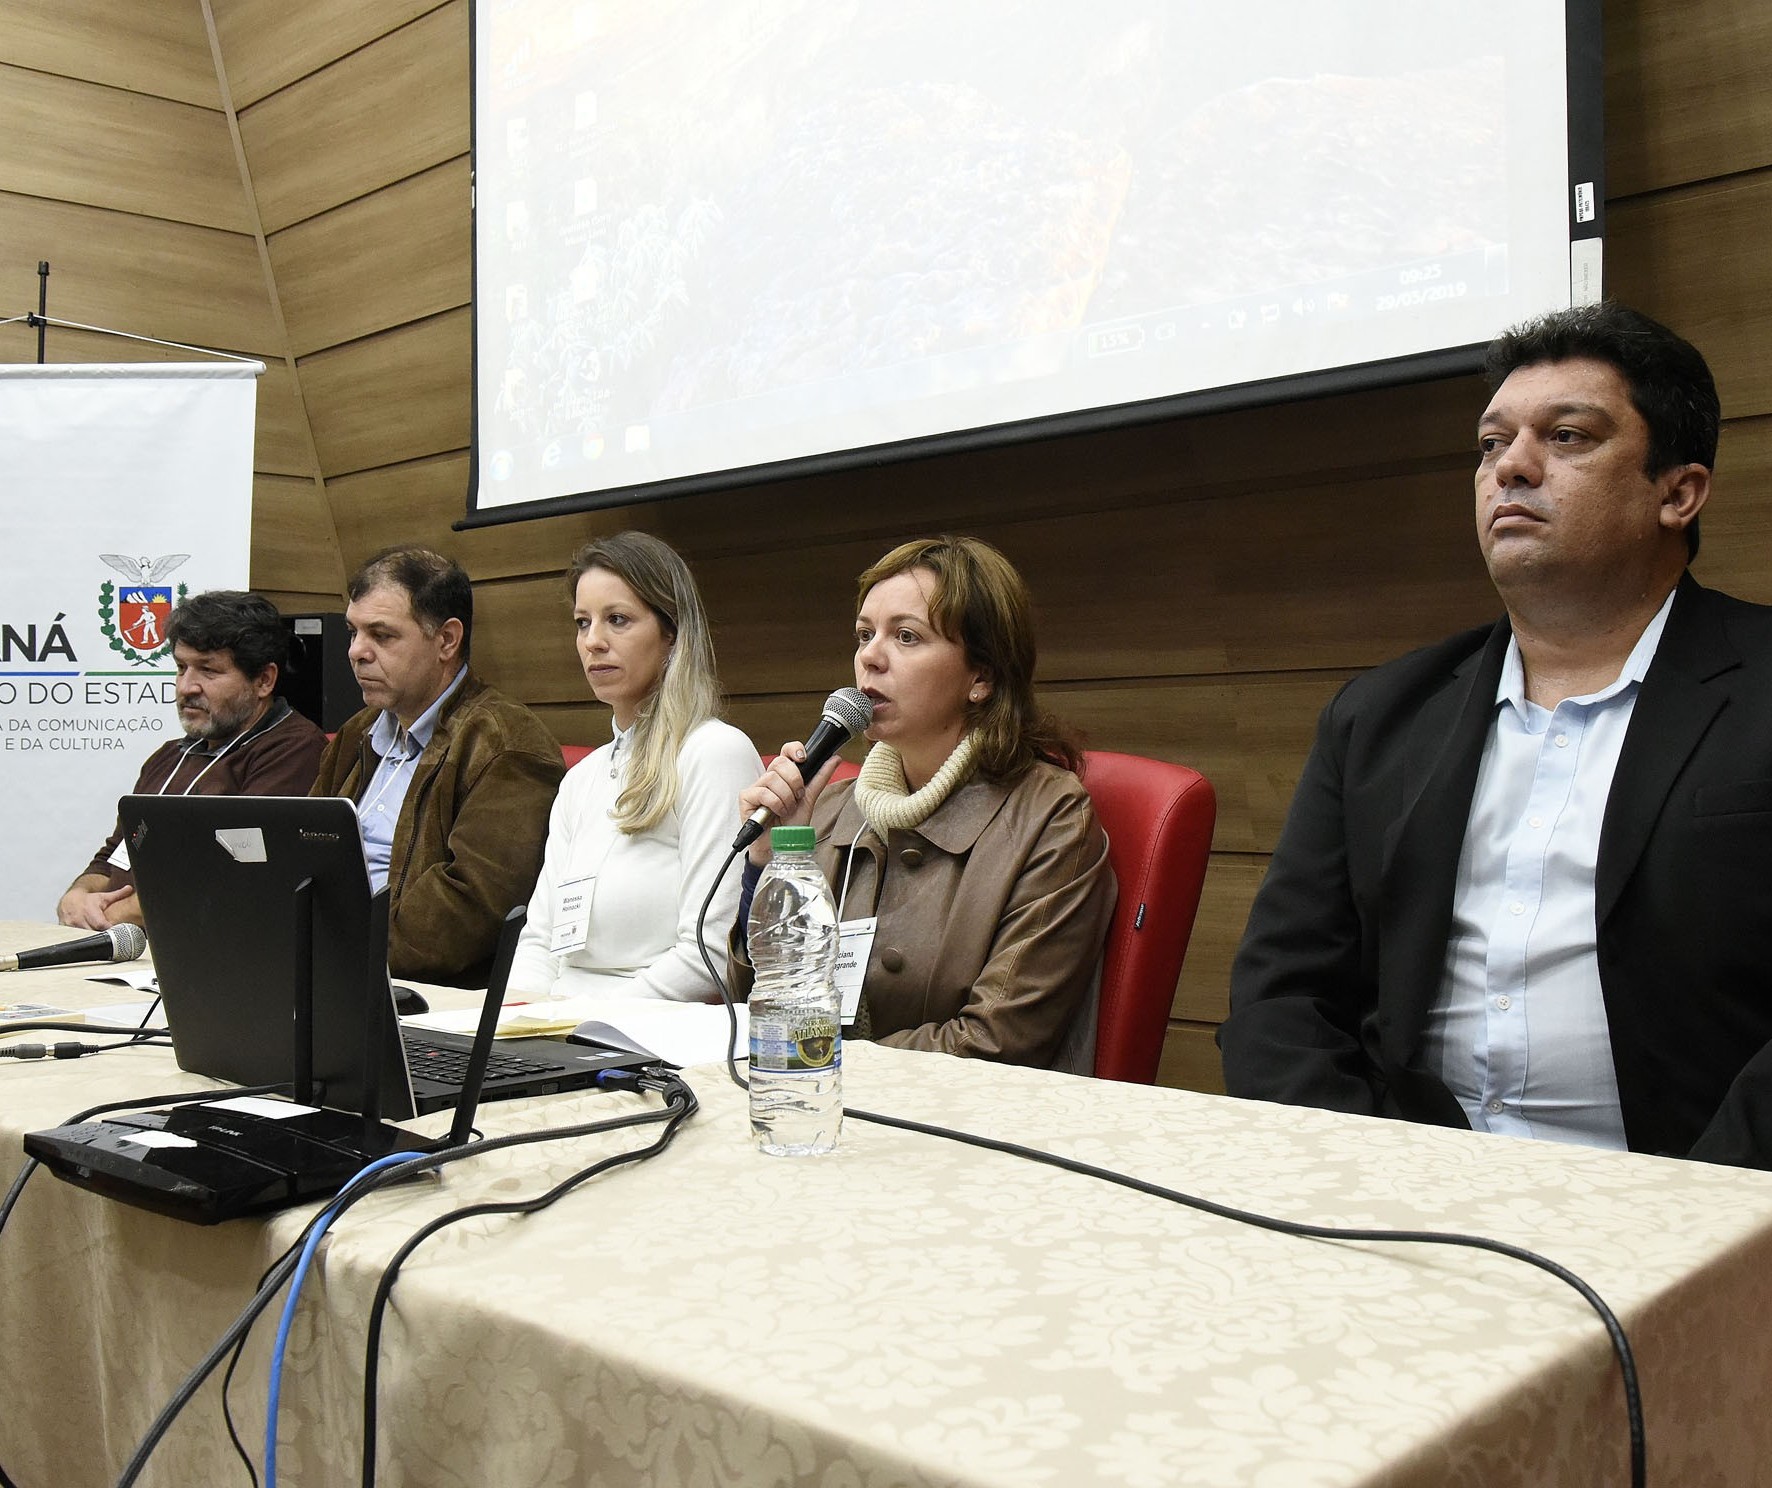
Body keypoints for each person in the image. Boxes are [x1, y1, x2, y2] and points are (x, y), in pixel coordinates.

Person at [1220, 301, 1772, 1169]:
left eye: (1568, 438)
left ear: (1678, 493)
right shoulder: (1378, 717)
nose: (1511, 467)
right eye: (1491, 443)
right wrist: (1366, 1180)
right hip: (1414, 1202)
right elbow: (1280, 1000)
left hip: (1691, 1210)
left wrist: (1700, 1215)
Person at [737, 535, 1116, 1071]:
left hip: (966, 1132)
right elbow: (759, 999)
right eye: (865, 635)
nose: (869, 657)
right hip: (819, 1107)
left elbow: (995, 1045)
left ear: (980, 677)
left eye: (906, 636)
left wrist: (814, 1058)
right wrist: (775, 861)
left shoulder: (1051, 818)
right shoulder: (829, 808)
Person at [505, 534, 761, 1001]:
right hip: (561, 1032)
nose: (593, 642)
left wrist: (580, 1027)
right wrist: (514, 1024)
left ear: (672, 634)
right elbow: (540, 942)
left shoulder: (714, 753)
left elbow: (710, 955)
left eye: (617, 620)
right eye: (582, 623)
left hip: (647, 1039)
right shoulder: (581, 778)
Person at [311, 547, 564, 987]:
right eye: (353, 632)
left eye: (382, 635)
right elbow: (302, 853)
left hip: (422, 993)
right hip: (333, 970)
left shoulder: (505, 742)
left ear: (447, 640)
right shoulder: (357, 734)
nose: (356, 652)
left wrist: (334, 955)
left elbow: (470, 908)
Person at [57, 590, 327, 930]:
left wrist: (109, 917)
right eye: (181, 667)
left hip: (212, 961)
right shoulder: (169, 756)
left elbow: (232, 873)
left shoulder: (294, 751)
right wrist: (78, 897)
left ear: (264, 680)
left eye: (207, 670)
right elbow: (115, 855)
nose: (187, 687)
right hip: (126, 950)